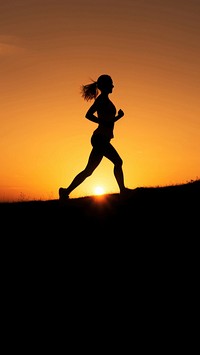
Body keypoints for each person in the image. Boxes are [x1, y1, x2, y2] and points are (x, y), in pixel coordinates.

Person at [59, 74, 131, 200]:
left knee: (89, 171)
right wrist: (101, 122)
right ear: (106, 86)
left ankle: (65, 191)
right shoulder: (101, 100)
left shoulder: (105, 100)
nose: (113, 86)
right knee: (118, 161)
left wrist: (118, 117)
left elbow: (108, 121)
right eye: (111, 84)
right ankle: (123, 190)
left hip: (102, 138)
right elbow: (88, 115)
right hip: (100, 139)